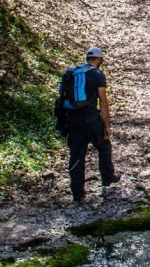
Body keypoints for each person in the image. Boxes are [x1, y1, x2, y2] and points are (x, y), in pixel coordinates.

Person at [58, 47, 121, 201]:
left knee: (77, 154)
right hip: (91, 117)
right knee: (104, 145)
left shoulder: (71, 72)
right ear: (99, 60)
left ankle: (78, 192)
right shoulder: (97, 74)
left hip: (72, 118)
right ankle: (107, 177)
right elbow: (103, 102)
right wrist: (107, 125)